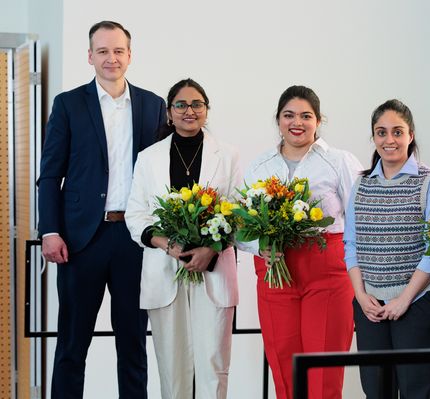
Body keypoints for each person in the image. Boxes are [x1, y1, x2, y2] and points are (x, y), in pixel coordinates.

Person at [37, 21, 166, 399]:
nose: (112, 58)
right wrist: (50, 230)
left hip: (133, 241)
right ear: (90, 56)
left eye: (119, 51)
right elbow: (50, 174)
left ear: (130, 55)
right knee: (72, 346)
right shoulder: (68, 104)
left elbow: (161, 173)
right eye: (103, 51)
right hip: (81, 241)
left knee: (133, 346)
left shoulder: (153, 105)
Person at [238, 85, 362, 399]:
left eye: (306, 116)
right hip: (274, 271)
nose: (298, 122)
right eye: (289, 115)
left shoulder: (340, 161)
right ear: (278, 120)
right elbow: (239, 226)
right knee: (283, 363)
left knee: (323, 370)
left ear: (319, 121)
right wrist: (260, 246)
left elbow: (360, 220)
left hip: (327, 274)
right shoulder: (260, 166)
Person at [125, 78, 240, 399]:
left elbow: (239, 212)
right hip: (164, 271)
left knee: (212, 365)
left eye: (197, 104)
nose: (189, 111)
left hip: (213, 270)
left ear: (206, 110)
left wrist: (211, 249)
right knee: (172, 370)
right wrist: (168, 245)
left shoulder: (228, 155)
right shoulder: (148, 158)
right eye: (181, 105)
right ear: (169, 112)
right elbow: (136, 215)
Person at [344, 99, 430, 399]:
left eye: (397, 132)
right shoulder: (361, 184)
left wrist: (404, 299)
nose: (389, 140)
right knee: (376, 392)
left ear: (411, 135)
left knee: (417, 392)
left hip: (417, 304)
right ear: (374, 137)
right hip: (370, 306)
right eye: (381, 132)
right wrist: (361, 297)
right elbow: (351, 245)